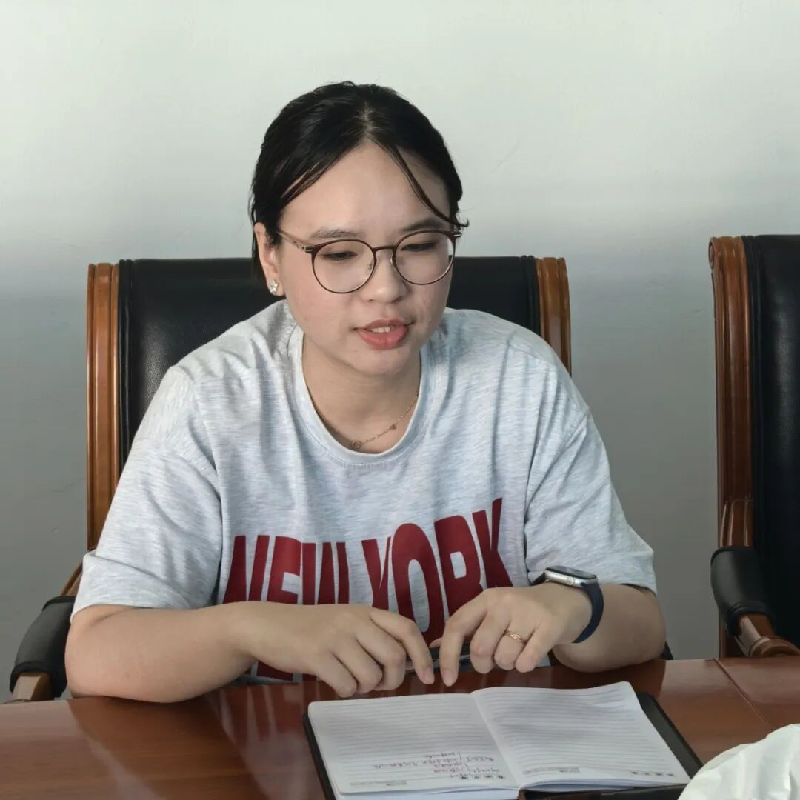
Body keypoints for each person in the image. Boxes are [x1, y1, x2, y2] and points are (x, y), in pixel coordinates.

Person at [65, 82, 666, 703]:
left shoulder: (518, 378)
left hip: (489, 744)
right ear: (270, 255)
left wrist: (572, 609)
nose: (386, 288)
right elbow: (96, 653)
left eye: (420, 245)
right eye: (340, 253)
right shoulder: (210, 400)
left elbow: (642, 624)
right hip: (267, 748)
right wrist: (248, 628)